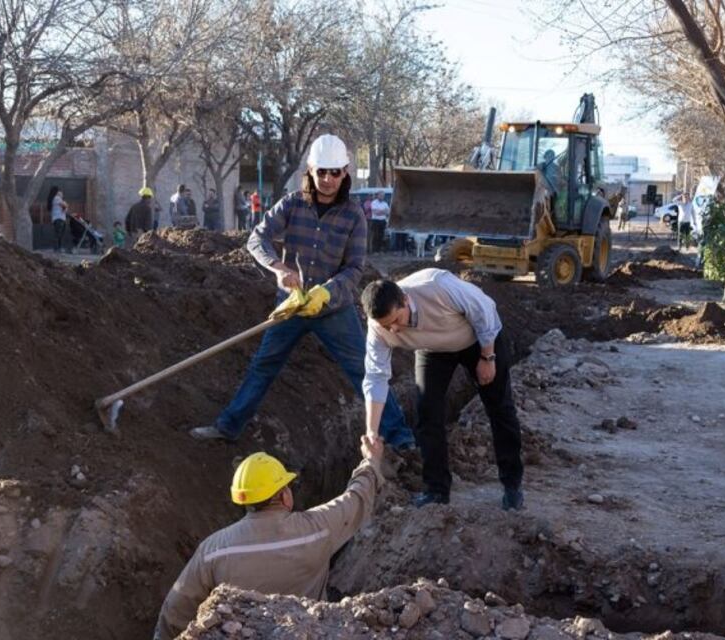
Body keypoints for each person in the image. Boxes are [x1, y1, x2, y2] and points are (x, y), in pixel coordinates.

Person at [190, 134, 414, 449]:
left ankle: (401, 439)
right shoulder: (292, 203)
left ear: (345, 172)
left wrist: (327, 291)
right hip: (292, 306)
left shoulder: (353, 215)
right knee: (263, 365)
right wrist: (279, 270)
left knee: (365, 370)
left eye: (335, 172)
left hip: (333, 310)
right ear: (309, 170)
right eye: (321, 171)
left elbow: (354, 269)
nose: (327, 179)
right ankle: (228, 427)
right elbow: (257, 239)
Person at [154, 436, 384, 639]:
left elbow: (176, 611)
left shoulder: (213, 550)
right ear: (285, 497)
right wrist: (371, 461)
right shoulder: (318, 529)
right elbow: (356, 497)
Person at [361, 268, 524, 510]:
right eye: (386, 325)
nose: (394, 330)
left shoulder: (436, 286)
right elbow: (376, 377)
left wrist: (487, 357)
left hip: (477, 339)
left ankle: (512, 487)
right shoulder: (379, 327)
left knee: (499, 408)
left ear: (405, 300)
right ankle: (436, 491)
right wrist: (372, 432)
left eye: (396, 320)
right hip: (434, 349)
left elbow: (484, 310)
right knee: (427, 414)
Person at [47, 186, 68, 253]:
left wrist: (65, 206)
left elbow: (64, 208)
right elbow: (65, 206)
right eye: (60, 191)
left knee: (59, 234)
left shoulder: (55, 199)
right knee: (58, 235)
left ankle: (58, 248)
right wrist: (65, 204)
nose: (61, 192)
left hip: (57, 218)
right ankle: (57, 248)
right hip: (59, 218)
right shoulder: (57, 198)